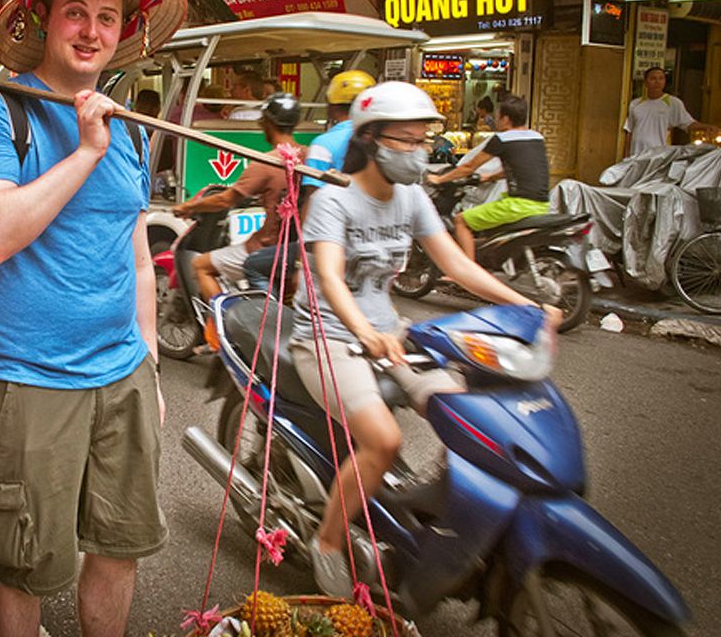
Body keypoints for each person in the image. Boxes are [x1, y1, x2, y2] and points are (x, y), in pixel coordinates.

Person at [0, 0, 187, 637]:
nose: (91, 31)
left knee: (119, 550)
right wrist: (84, 150)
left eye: (107, 17)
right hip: (32, 379)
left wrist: (147, 359)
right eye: (76, 13)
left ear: (125, 30)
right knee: (26, 567)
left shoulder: (129, 128)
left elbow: (137, 255)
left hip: (122, 375)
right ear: (45, 21)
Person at [289, 81, 562, 596]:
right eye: (407, 141)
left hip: (390, 335)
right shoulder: (333, 200)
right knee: (384, 441)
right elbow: (327, 277)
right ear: (370, 140)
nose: (418, 152)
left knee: (475, 416)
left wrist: (525, 306)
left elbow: (456, 264)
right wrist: (366, 332)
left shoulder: (412, 197)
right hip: (326, 338)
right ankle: (327, 542)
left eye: (422, 141)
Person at [241, 71, 375, 290]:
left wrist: (300, 262)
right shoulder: (378, 140)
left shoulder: (324, 144)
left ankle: (270, 319)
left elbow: (312, 203)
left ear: (331, 105)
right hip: (370, 241)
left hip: (331, 242)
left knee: (254, 265)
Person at [173, 93, 306, 302]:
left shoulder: (265, 163)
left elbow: (225, 200)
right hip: (298, 249)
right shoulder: (310, 157)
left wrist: (189, 206)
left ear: (267, 123)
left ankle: (226, 324)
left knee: (201, 266)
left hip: (267, 248)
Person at [427, 95, 549, 261]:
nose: (496, 120)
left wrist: (440, 179)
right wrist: (491, 177)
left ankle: (468, 272)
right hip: (542, 204)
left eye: (498, 116)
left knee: (461, 221)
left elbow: (469, 167)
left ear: (506, 119)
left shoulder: (502, 139)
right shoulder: (536, 137)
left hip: (518, 205)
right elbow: (520, 167)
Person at [623, 67, 702, 156]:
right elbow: (630, 131)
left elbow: (688, 123)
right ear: (645, 82)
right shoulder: (635, 104)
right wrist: (626, 156)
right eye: (653, 78)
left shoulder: (673, 103)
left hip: (659, 155)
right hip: (636, 154)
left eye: (661, 78)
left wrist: (705, 127)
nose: (657, 82)